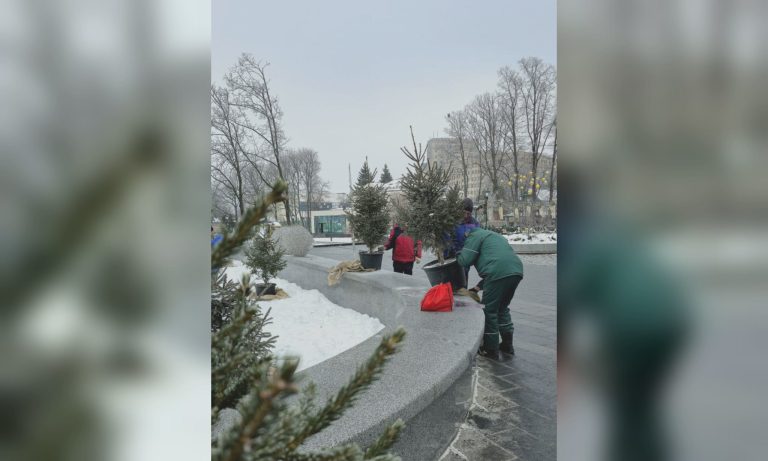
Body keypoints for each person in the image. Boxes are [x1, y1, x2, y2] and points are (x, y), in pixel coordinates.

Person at [457, 227, 523, 360]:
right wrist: (477, 287)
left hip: (498, 272)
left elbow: (464, 261)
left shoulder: (473, 236)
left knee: (489, 310)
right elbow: (498, 263)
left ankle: (490, 349)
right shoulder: (494, 236)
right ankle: (507, 345)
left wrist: (457, 253)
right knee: (502, 308)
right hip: (516, 270)